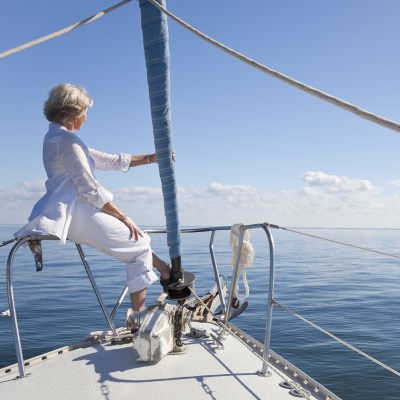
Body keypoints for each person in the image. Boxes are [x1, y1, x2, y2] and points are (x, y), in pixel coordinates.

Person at [14, 83, 172, 331]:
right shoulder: (66, 141)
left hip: (74, 211)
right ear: (73, 112)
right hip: (78, 210)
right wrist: (123, 217)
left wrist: (153, 158)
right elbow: (88, 188)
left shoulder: (59, 138)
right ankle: (137, 321)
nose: (87, 117)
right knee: (139, 245)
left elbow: (110, 161)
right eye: (85, 111)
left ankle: (163, 270)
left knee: (139, 242)